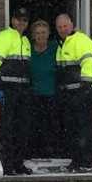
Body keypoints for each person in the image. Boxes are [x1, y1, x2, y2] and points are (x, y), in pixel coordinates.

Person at [0, 7, 32, 175]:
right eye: (19, 19)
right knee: (7, 128)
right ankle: (8, 164)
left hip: (23, 91)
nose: (21, 23)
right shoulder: (3, 37)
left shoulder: (26, 41)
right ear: (13, 20)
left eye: (25, 20)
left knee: (23, 128)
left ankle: (19, 163)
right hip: (8, 90)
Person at [55, 13, 92, 172]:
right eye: (59, 27)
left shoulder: (81, 40)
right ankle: (76, 160)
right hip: (70, 93)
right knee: (72, 127)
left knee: (83, 126)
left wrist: (85, 88)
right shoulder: (63, 44)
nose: (62, 29)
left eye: (65, 26)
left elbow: (88, 63)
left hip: (84, 91)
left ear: (72, 24)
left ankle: (87, 161)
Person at [28, 19, 62, 158]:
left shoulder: (55, 47)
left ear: (48, 34)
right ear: (33, 35)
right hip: (33, 95)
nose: (40, 35)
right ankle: (35, 154)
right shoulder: (27, 48)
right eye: (37, 33)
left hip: (52, 94)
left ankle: (51, 154)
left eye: (43, 32)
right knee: (33, 126)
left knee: (51, 127)